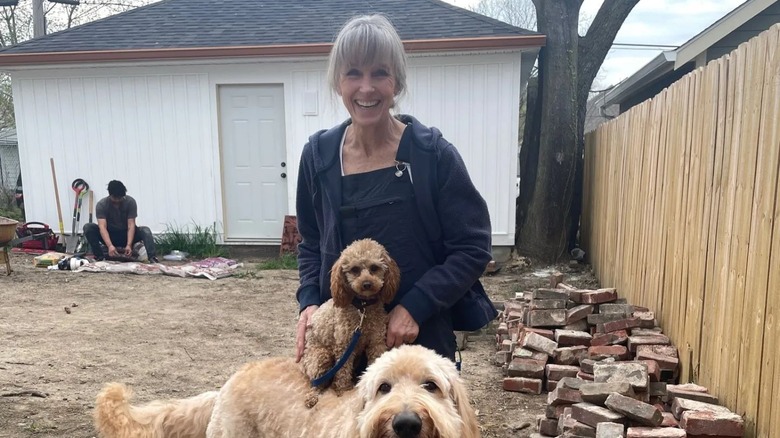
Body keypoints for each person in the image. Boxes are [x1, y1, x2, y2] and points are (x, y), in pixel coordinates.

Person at [294, 14, 497, 365]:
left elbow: (472, 247)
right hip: (343, 337)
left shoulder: (432, 155)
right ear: (338, 83)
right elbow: (311, 243)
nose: (366, 88)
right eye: (353, 73)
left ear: (397, 83)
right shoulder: (319, 157)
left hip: (420, 336)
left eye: (380, 73)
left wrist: (416, 306)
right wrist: (310, 302)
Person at [83, 180, 159, 263]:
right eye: (115, 198)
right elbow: (102, 227)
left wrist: (129, 245)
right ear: (110, 195)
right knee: (88, 227)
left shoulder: (130, 202)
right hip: (110, 235)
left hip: (126, 234)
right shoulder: (102, 205)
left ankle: (152, 258)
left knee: (145, 230)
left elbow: (131, 225)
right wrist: (110, 246)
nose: (118, 200)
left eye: (120, 198)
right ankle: (99, 257)